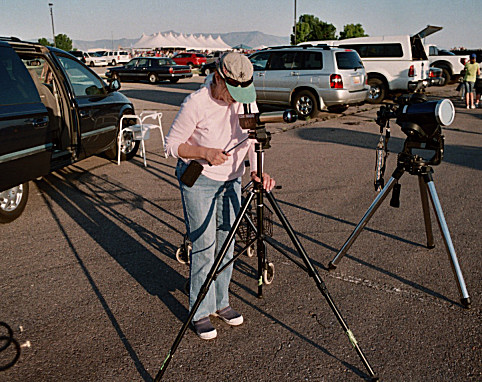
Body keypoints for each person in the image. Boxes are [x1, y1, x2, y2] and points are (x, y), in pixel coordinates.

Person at [165, 52, 275, 340]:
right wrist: (205, 153)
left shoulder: (246, 99)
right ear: (218, 78)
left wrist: (257, 171)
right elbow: (172, 145)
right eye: (232, 92)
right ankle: (200, 311)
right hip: (200, 179)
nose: (236, 99)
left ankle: (220, 303)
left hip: (232, 181)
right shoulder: (196, 103)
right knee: (204, 245)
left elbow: (252, 138)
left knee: (227, 244)